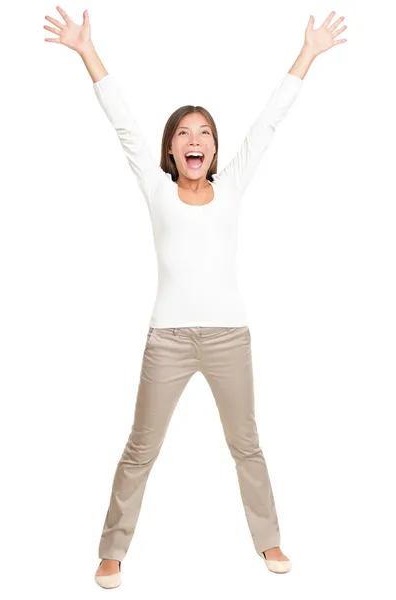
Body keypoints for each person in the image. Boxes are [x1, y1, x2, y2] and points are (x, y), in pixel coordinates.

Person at [44, 6, 347, 589]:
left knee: (247, 446)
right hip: (169, 339)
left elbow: (268, 123)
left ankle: (269, 541)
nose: (195, 140)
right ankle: (112, 551)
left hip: (230, 336)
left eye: (204, 132)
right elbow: (124, 123)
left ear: (213, 148)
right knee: (141, 449)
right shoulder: (157, 191)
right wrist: (86, 51)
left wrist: (307, 53)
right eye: (184, 132)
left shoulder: (230, 186)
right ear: (172, 147)